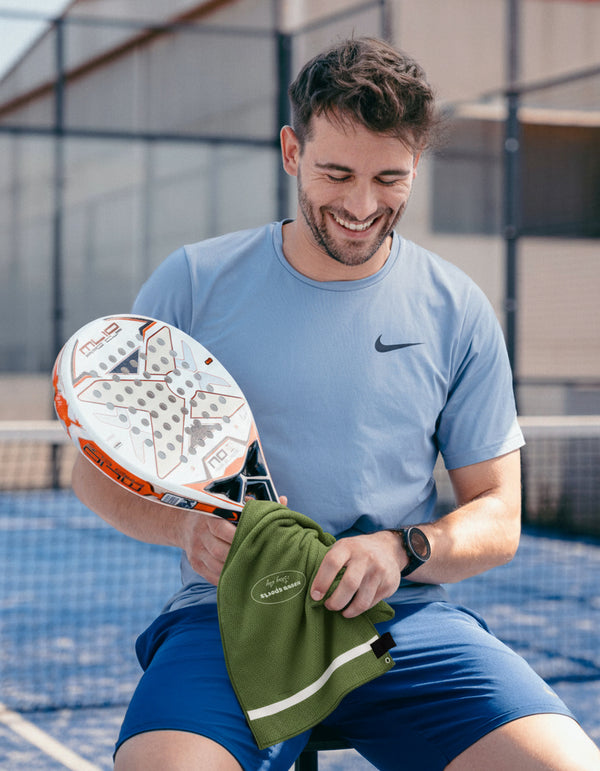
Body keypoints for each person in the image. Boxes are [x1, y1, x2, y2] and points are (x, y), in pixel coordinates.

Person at [72, 37, 600, 771]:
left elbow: (498, 515)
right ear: (292, 152)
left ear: (416, 167)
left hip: (403, 619)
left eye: (389, 177)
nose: (361, 204)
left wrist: (402, 549)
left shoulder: (458, 308)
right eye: (336, 172)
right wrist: (182, 528)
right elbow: (92, 475)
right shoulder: (193, 282)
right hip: (230, 619)